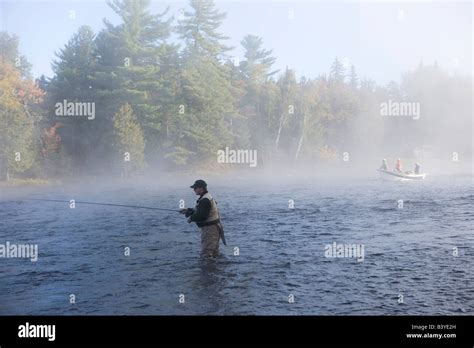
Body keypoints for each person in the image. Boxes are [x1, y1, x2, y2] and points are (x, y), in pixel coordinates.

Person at [180, 179, 226, 258]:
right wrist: (188, 210)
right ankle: (215, 269)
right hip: (215, 227)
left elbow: (202, 215)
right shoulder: (207, 197)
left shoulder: (205, 200)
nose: (194, 190)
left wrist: (191, 218)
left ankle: (207, 269)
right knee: (214, 252)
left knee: (206, 253)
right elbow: (201, 210)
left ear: (201, 188)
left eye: (195, 188)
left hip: (210, 229)